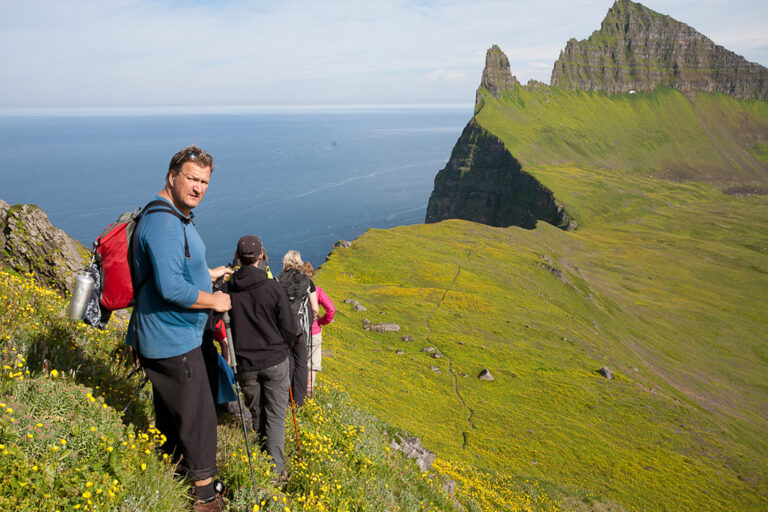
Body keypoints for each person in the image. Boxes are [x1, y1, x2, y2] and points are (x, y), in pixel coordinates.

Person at [127, 145, 232, 512]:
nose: (198, 188)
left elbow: (173, 271)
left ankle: (172, 476)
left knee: (173, 415)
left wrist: (208, 275)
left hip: (163, 335)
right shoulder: (165, 222)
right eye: (191, 178)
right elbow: (171, 288)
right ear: (172, 177)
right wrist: (214, 300)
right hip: (173, 339)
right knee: (199, 420)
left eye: (204, 181)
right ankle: (204, 497)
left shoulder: (169, 215)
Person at [223, 235, 296, 478]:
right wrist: (284, 348)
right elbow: (290, 327)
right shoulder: (271, 286)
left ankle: (262, 458)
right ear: (261, 256)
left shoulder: (229, 289)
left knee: (257, 412)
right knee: (275, 416)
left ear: (237, 256)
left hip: (245, 365)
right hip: (275, 360)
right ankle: (275, 473)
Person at [277, 250, 318, 407]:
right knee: (301, 361)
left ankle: (286, 397)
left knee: (287, 360)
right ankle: (299, 401)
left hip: (283, 328)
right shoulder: (306, 281)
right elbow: (315, 308)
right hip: (302, 327)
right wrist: (311, 319)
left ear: (285, 262)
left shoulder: (277, 280)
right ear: (299, 262)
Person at [300, 262, 335, 396]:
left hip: (297, 331)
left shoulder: (294, 289)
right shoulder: (317, 290)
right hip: (313, 331)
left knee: (298, 362)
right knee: (312, 365)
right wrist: (321, 321)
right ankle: (309, 393)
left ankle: (296, 393)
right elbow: (331, 309)